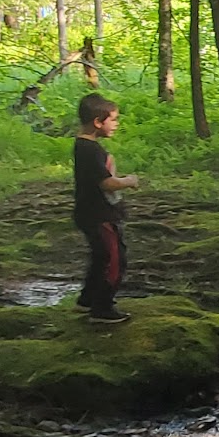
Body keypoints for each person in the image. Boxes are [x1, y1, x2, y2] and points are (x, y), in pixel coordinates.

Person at [72, 94, 141, 324]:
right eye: (113, 119)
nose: (117, 124)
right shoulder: (90, 150)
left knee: (100, 257)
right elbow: (106, 183)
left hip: (89, 212)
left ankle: (87, 299)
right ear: (97, 122)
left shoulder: (84, 146)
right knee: (114, 259)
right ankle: (103, 308)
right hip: (99, 214)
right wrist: (128, 181)